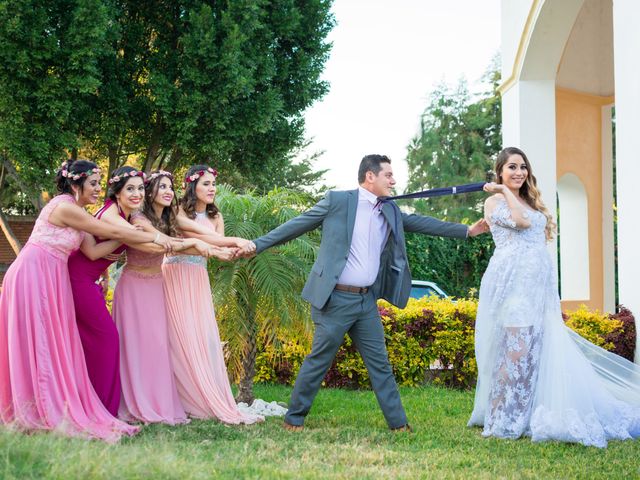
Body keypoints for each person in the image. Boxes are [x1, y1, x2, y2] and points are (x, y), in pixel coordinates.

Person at [238, 154, 487, 431]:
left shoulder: (389, 209)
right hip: (335, 299)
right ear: (370, 176)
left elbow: (421, 222)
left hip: (366, 300)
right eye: (388, 175)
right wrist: (256, 245)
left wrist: (466, 230)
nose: (393, 181)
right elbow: (298, 224)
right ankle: (294, 418)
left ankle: (399, 424)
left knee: (380, 363)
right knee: (319, 359)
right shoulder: (338, 201)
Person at [468, 146, 640, 447]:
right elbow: (520, 223)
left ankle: (528, 408)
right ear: (500, 172)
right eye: (511, 167)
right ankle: (503, 415)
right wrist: (502, 190)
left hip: (537, 287)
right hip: (512, 286)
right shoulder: (494, 200)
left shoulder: (527, 200)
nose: (519, 172)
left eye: (523, 166)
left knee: (535, 350)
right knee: (514, 351)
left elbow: (536, 233)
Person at [0, 159, 173, 442]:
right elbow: (113, 231)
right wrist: (153, 236)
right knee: (38, 341)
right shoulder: (65, 206)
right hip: (33, 274)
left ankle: (49, 401)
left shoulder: (78, 212)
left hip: (53, 278)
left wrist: (125, 245)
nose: (97, 189)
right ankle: (37, 406)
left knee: (49, 342)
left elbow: (94, 250)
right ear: (75, 183)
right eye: (92, 183)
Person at [113, 170, 222, 424]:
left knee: (159, 347)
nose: (167, 191)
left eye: (170, 187)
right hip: (133, 286)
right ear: (150, 191)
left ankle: (158, 401)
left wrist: (224, 246)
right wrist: (198, 246)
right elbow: (161, 244)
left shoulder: (169, 218)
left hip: (158, 284)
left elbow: (191, 235)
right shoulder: (139, 218)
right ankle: (135, 402)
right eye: (161, 186)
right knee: (135, 346)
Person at [162, 165, 262, 424]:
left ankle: (198, 394)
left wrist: (233, 249)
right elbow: (201, 238)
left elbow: (217, 245)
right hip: (173, 274)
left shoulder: (216, 217)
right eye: (206, 183)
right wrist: (233, 241)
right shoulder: (177, 210)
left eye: (213, 184)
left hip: (197, 277)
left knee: (199, 334)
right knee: (174, 334)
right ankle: (172, 397)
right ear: (192, 186)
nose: (212, 188)